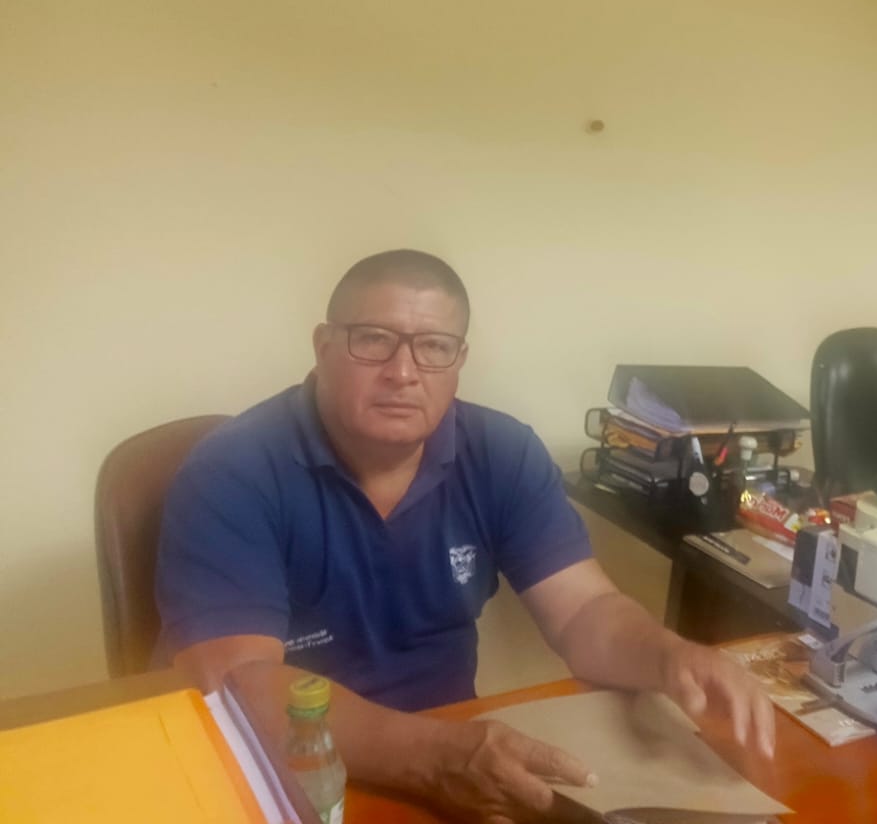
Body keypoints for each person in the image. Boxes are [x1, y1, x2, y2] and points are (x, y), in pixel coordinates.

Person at [156, 249, 774, 821]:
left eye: (433, 347)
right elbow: (237, 685)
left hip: (459, 765)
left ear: (459, 362)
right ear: (323, 346)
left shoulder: (502, 452)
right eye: (373, 340)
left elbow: (584, 610)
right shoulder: (234, 468)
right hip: (292, 779)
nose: (403, 372)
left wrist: (670, 656)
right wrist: (433, 756)